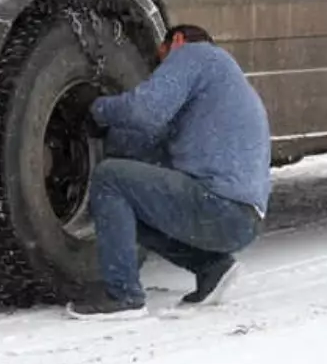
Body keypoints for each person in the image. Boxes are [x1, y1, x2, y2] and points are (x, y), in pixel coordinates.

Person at [67, 24, 272, 320]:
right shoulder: (220, 84)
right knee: (131, 206)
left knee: (109, 177)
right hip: (243, 220)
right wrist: (109, 135)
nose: (159, 70)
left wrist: (95, 109)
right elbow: (150, 142)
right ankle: (212, 268)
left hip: (218, 203)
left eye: (160, 59)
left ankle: (123, 296)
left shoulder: (195, 54)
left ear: (176, 41)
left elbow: (145, 110)